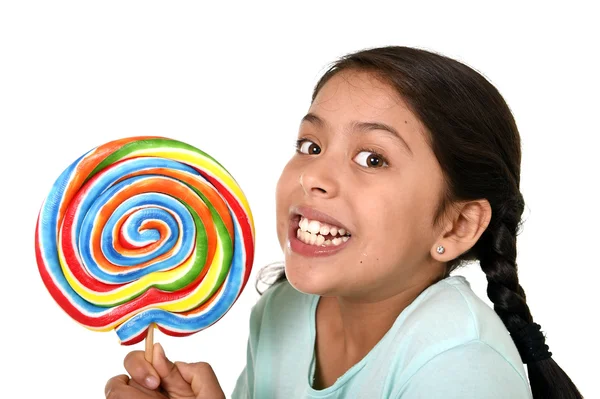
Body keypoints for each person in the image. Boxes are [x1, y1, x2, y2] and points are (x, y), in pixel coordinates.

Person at [104, 46, 583, 399]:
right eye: (310, 146)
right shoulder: (281, 311)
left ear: (456, 226)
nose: (314, 175)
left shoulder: (459, 365)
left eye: (373, 159)